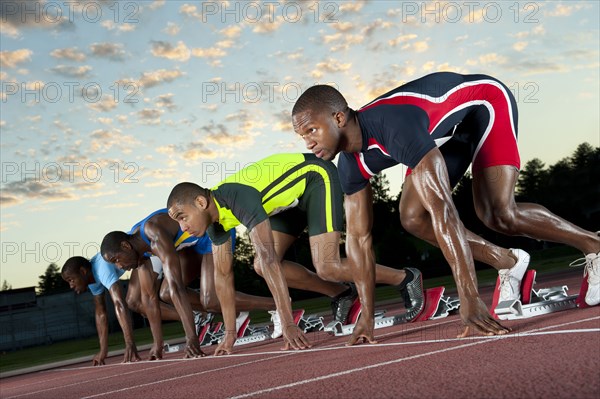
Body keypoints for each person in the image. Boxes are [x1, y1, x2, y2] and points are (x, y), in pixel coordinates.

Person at [291, 72, 600, 343]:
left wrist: (469, 295)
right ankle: (508, 262)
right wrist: (367, 316)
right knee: (413, 217)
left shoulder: (394, 126)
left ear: (339, 118)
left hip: (483, 104)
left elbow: (444, 211)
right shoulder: (349, 165)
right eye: (301, 135)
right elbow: (359, 241)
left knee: (498, 214)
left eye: (311, 130)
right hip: (443, 133)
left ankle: (594, 245)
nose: (307, 142)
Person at [166, 153, 425, 353]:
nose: (183, 228)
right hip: (286, 205)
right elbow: (223, 277)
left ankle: (405, 278)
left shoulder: (235, 197)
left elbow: (270, 259)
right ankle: (342, 293)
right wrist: (230, 333)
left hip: (315, 179)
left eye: (183, 217)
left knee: (326, 265)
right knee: (258, 265)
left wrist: (288, 322)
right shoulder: (216, 224)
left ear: (201, 203)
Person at [100, 208, 277, 358]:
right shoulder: (141, 252)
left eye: (117, 259)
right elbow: (148, 299)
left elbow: (177, 287)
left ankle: (277, 304)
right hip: (191, 243)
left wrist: (191, 338)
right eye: (114, 264)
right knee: (165, 293)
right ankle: (237, 311)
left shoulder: (154, 233)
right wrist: (158, 343)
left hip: (212, 231)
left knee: (210, 300)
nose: (119, 266)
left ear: (125, 246)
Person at [61, 254, 141, 365]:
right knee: (137, 304)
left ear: (83, 271)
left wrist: (129, 342)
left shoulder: (102, 269)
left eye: (71, 280)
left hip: (145, 252)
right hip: (139, 263)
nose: (71, 285)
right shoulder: (92, 280)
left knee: (135, 302)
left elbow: (119, 302)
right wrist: (103, 350)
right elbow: (100, 313)